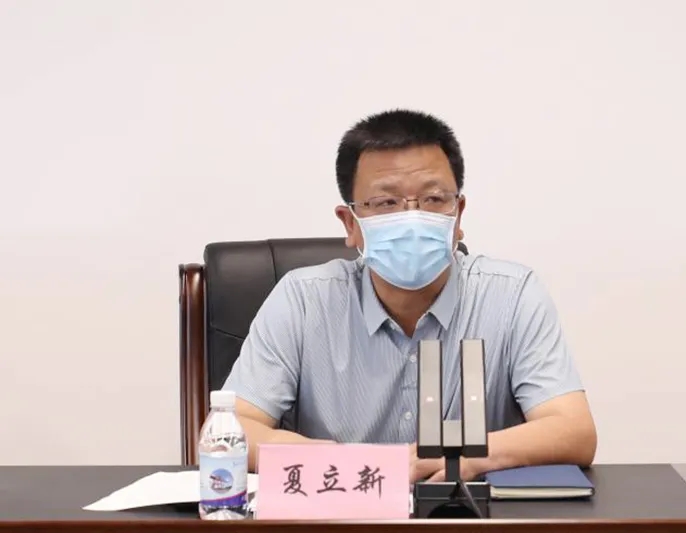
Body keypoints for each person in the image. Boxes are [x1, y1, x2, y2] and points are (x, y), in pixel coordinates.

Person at [223, 109, 597, 482]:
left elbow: (574, 431)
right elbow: (232, 432)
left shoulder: (512, 295)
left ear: (458, 215)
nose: (413, 219)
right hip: (342, 511)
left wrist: (468, 454)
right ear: (351, 223)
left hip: (465, 513)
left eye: (433, 199)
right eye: (386, 203)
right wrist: (353, 466)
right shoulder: (302, 301)